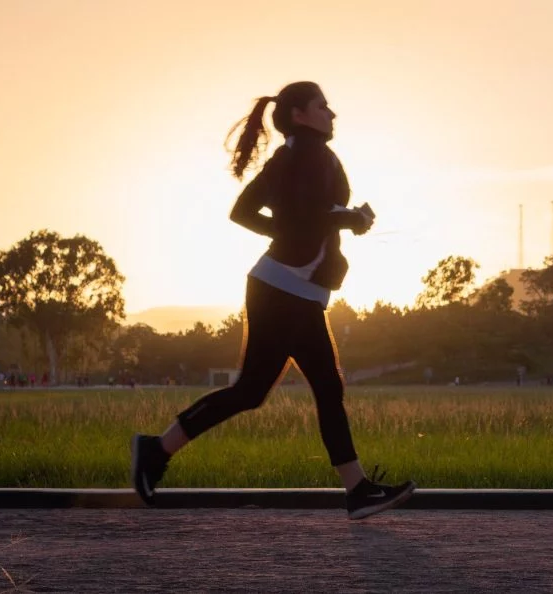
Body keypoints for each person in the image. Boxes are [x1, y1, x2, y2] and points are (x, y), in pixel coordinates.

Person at [131, 81, 415, 520]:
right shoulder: (301, 156)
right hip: (282, 289)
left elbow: (260, 213)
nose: (332, 113)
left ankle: (158, 449)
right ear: (300, 114)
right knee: (301, 387)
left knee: (270, 390)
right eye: (323, 106)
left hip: (291, 288)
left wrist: (331, 223)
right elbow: (293, 216)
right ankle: (356, 490)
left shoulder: (301, 156)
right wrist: (345, 219)